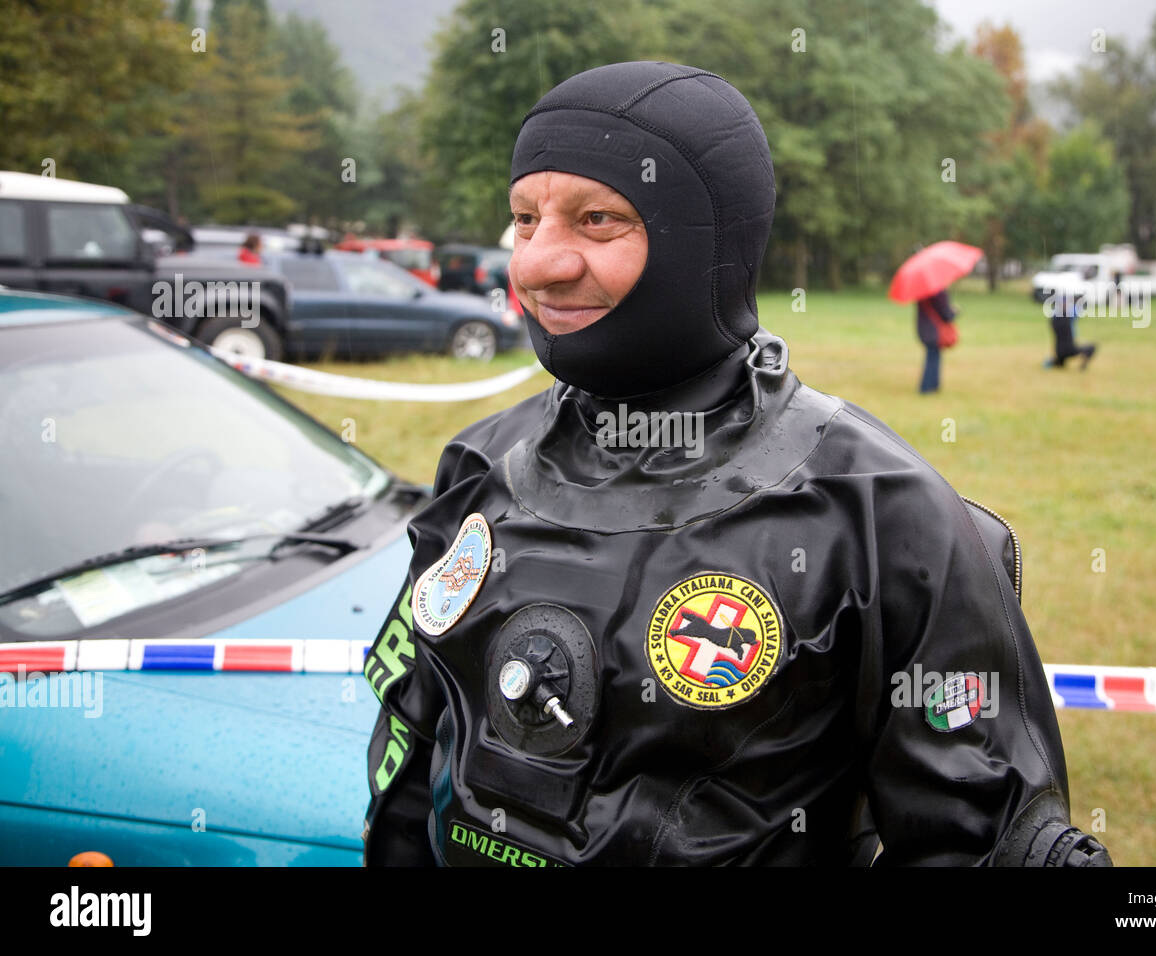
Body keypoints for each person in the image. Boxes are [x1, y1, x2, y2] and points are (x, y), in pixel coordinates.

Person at [362, 61, 1110, 867]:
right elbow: (408, 766)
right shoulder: (480, 468)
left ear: (708, 241)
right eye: (524, 218)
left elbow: (982, 846)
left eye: (598, 219)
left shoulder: (881, 517)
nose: (539, 263)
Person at [916, 288, 957, 393]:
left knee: (932, 357)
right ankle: (928, 387)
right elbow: (946, 314)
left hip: (923, 329)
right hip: (934, 330)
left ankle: (932, 386)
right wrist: (954, 311)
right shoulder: (939, 292)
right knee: (933, 359)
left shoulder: (921, 292)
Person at [1045, 293, 1098, 370]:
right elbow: (1077, 312)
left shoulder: (1054, 320)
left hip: (1059, 351)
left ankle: (1053, 361)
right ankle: (1082, 367)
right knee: (1092, 347)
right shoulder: (1068, 318)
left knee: (1060, 365)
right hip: (1070, 349)